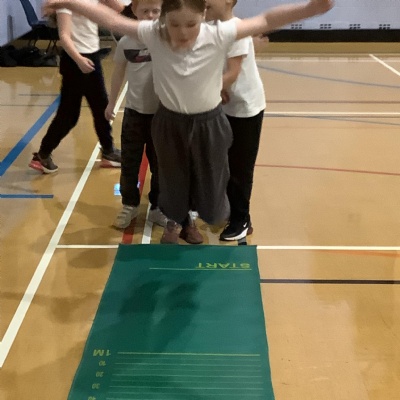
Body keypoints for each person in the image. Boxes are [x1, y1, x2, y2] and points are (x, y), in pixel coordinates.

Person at [42, 0, 334, 243]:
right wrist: (69, 3)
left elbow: (267, 19)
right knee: (172, 183)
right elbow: (113, 20)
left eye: (191, 24)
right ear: (163, 20)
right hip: (169, 123)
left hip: (209, 123)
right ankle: (177, 219)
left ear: (203, 16)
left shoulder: (218, 33)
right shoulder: (153, 34)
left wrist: (313, 7)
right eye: (175, 24)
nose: (182, 33)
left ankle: (211, 211)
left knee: (213, 202)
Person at [29, 0, 124, 174]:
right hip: (77, 61)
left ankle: (107, 150)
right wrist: (79, 60)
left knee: (90, 109)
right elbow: (64, 36)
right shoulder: (66, 2)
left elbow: (118, 8)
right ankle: (44, 154)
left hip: (91, 56)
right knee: (74, 114)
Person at [205, 0, 266, 241]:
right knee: (224, 164)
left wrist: (207, 89)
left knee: (240, 167)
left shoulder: (236, 29)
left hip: (246, 108)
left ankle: (242, 219)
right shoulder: (209, 28)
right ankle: (226, 209)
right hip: (224, 106)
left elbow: (232, 73)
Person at [107, 0, 167, 229]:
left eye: (155, 11)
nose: (150, 15)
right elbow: (117, 73)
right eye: (145, 11)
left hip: (161, 115)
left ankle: (157, 206)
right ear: (134, 11)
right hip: (134, 114)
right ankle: (129, 204)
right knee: (130, 163)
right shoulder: (126, 42)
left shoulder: (166, 40)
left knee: (160, 164)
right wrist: (111, 103)